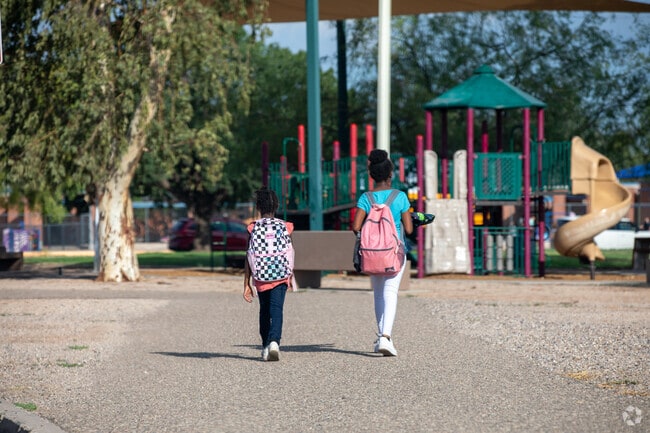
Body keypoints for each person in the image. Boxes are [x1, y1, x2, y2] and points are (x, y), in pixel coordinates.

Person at [352, 149, 413, 356]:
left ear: (372, 175)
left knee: (378, 294)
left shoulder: (366, 198)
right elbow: (410, 229)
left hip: (371, 253)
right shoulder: (400, 196)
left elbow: (355, 226)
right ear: (390, 175)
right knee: (390, 292)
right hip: (394, 251)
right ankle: (386, 337)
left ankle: (382, 336)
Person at [243, 187, 295, 361]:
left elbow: (248, 256)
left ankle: (266, 345)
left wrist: (246, 284)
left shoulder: (253, 228)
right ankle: (275, 342)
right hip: (281, 274)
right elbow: (290, 252)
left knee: (264, 311)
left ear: (258, 207)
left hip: (261, 275)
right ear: (277, 206)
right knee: (277, 309)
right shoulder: (285, 226)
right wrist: (291, 275)